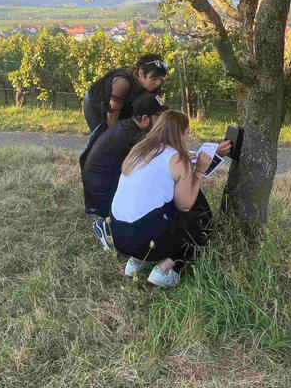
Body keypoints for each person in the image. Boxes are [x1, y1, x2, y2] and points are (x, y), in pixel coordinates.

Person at [110, 109, 231, 289]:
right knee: (201, 219)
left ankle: (137, 262)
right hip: (145, 239)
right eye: (187, 133)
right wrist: (199, 171)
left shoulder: (139, 150)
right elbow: (185, 205)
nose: (188, 138)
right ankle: (164, 269)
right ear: (179, 134)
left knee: (154, 206)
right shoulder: (177, 159)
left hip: (118, 235)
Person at [82, 92, 167, 249]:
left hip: (96, 187)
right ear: (145, 119)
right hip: (102, 194)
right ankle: (109, 226)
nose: (163, 123)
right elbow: (160, 160)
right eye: (159, 118)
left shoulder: (128, 126)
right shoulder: (137, 137)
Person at [82, 54, 168, 134]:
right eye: (154, 79)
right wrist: (114, 138)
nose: (158, 83)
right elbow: (111, 117)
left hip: (122, 104)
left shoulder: (151, 85)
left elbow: (157, 110)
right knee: (102, 135)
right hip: (95, 103)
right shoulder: (122, 83)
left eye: (160, 79)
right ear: (141, 73)